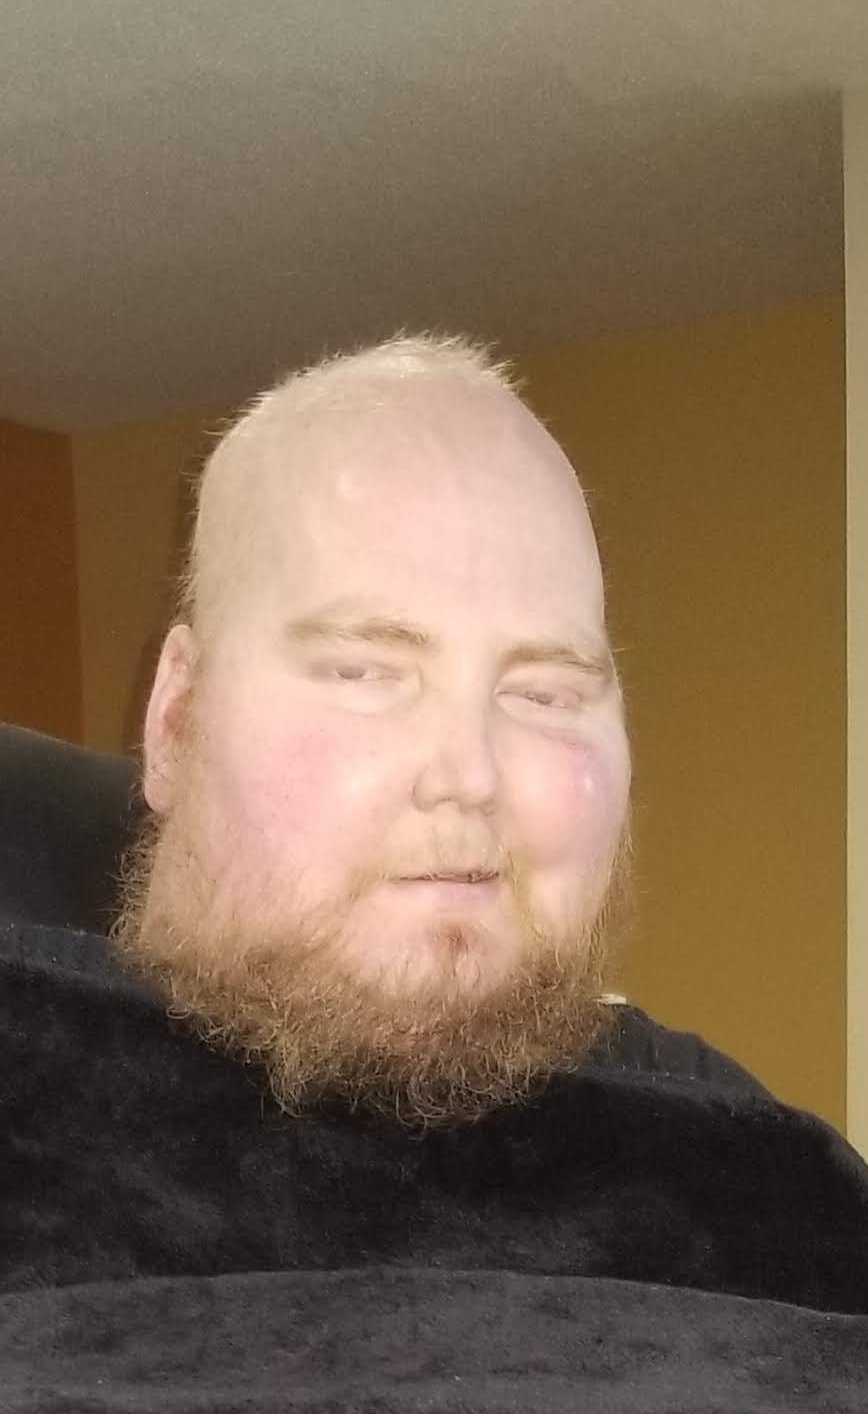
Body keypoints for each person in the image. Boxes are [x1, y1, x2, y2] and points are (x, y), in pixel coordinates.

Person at [113, 333, 637, 1124]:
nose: (470, 775)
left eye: (545, 694)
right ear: (175, 719)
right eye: (362, 673)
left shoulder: (759, 1168)